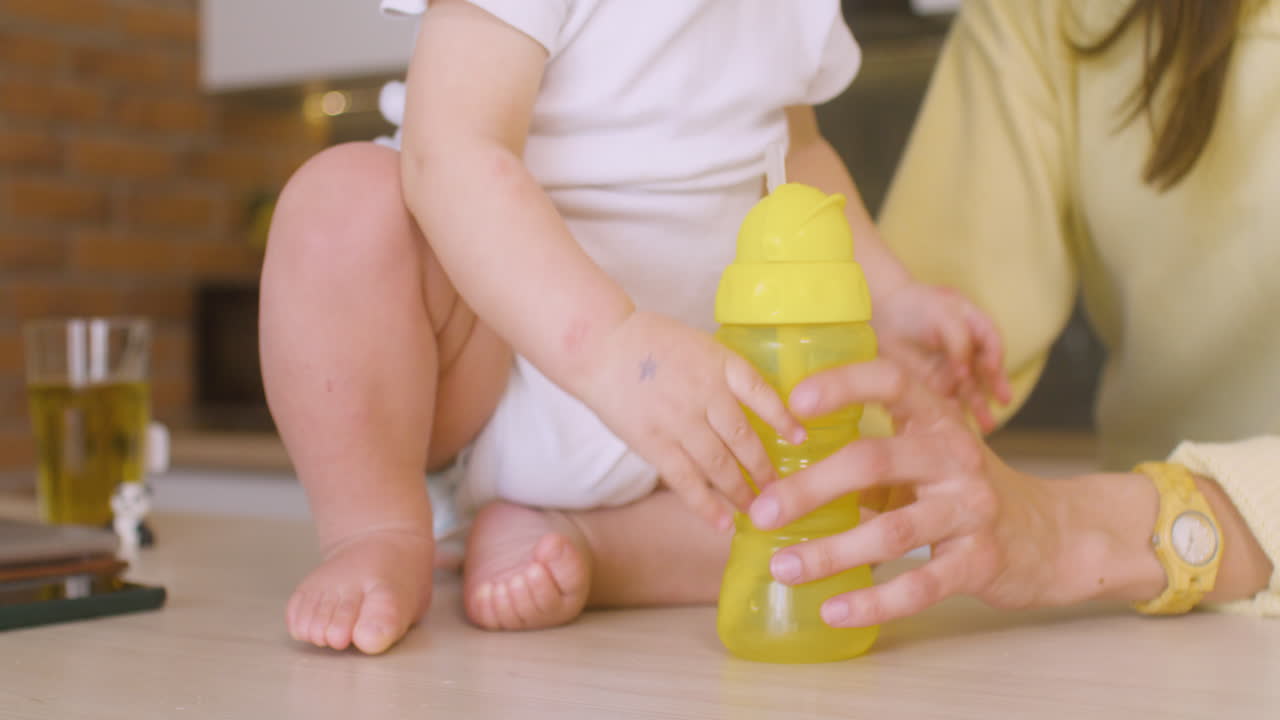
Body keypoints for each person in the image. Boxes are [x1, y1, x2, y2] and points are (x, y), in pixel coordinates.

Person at [259, 0, 1007, 654]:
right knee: (340, 204)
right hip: (486, 354)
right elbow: (448, 153)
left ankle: (580, 543)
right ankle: (375, 529)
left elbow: (798, 157)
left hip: (686, 399)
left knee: (859, 514)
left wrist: (893, 298)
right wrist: (614, 348)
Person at [748, 0, 1278, 628]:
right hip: (1146, 624)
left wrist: (1081, 529)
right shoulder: (1048, 14)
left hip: (1141, 577)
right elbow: (875, 427)